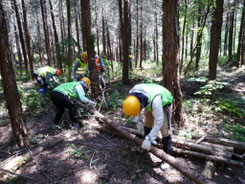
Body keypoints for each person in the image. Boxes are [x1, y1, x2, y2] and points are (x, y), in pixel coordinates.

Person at [123, 83, 173, 171]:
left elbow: (159, 121)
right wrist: (137, 119)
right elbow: (135, 107)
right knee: (148, 123)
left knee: (165, 130)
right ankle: (145, 147)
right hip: (149, 102)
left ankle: (167, 158)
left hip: (164, 103)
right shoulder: (132, 94)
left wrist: (150, 138)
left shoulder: (155, 101)